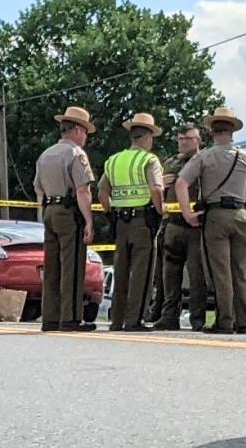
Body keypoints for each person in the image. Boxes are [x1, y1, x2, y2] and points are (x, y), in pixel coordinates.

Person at [175, 107, 246, 335]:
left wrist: (187, 213)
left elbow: (181, 183)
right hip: (241, 215)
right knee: (239, 270)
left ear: (212, 131)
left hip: (216, 216)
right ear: (232, 132)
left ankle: (225, 320)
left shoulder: (205, 156)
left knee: (220, 270)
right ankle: (243, 319)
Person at [98, 113, 165, 331]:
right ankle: (134, 319)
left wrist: (111, 212)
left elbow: (102, 191)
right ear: (147, 137)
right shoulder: (149, 159)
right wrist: (160, 211)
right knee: (142, 272)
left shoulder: (114, 160)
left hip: (120, 222)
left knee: (121, 271)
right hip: (142, 221)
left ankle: (116, 321)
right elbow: (156, 188)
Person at [34, 106, 98, 332]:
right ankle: (70, 317)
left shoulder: (45, 154)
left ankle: (50, 318)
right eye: (86, 132)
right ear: (78, 131)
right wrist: (89, 220)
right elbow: (83, 190)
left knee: (52, 267)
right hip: (68, 212)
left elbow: (38, 187)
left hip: (49, 209)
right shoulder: (76, 154)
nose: (86, 137)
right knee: (71, 266)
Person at [154, 122, 207, 331]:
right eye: (181, 139)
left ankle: (197, 318)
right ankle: (169, 316)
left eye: (189, 138)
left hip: (195, 226)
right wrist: (161, 186)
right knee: (170, 275)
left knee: (197, 275)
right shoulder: (169, 163)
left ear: (199, 140)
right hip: (172, 224)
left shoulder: (204, 161)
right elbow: (159, 193)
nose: (184, 142)